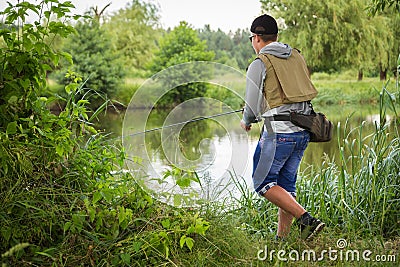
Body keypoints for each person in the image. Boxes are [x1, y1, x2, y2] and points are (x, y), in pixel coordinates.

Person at [240, 14, 325, 240]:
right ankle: (282, 240)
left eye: (252, 38)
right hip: (303, 132)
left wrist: (246, 120)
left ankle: (306, 219)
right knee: (286, 185)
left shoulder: (259, 63)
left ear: (257, 38)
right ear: (275, 36)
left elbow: (251, 106)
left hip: (279, 134)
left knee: (262, 183)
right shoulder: (296, 56)